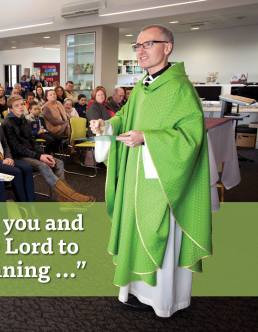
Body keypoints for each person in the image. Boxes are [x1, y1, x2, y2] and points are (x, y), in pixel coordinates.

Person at [89, 24, 211, 318]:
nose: (140, 51)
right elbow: (126, 118)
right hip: (136, 174)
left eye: (148, 44)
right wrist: (106, 126)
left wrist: (147, 138)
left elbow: (191, 137)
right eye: (137, 46)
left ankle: (163, 299)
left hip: (163, 180)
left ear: (167, 48)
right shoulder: (144, 86)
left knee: (160, 234)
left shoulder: (181, 88)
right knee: (135, 227)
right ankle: (136, 289)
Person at [2, 95, 94, 203]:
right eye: (17, 105)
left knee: (58, 162)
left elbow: (33, 141)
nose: (21, 107)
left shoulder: (26, 121)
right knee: (43, 165)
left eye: (22, 104)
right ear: (11, 109)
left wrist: (44, 154)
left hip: (31, 154)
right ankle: (72, 196)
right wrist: (39, 157)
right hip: (18, 157)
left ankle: (64, 202)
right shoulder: (7, 124)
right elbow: (16, 148)